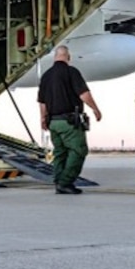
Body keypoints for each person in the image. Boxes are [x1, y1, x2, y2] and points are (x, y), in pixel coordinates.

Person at [38, 45, 103, 195]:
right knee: (78, 151)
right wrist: (95, 109)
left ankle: (58, 182)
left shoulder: (46, 76)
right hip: (69, 122)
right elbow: (83, 94)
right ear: (68, 57)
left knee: (60, 153)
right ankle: (65, 182)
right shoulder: (71, 72)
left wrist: (43, 119)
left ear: (55, 57)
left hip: (53, 122)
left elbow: (42, 102)